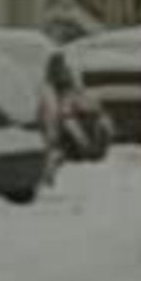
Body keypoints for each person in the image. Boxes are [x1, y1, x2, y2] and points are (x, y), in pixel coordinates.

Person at [39, 52, 110, 185]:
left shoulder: (68, 78)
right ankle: (85, 148)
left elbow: (76, 91)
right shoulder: (49, 83)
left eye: (61, 64)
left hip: (68, 110)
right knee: (68, 127)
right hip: (60, 114)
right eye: (57, 64)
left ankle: (88, 148)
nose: (60, 68)